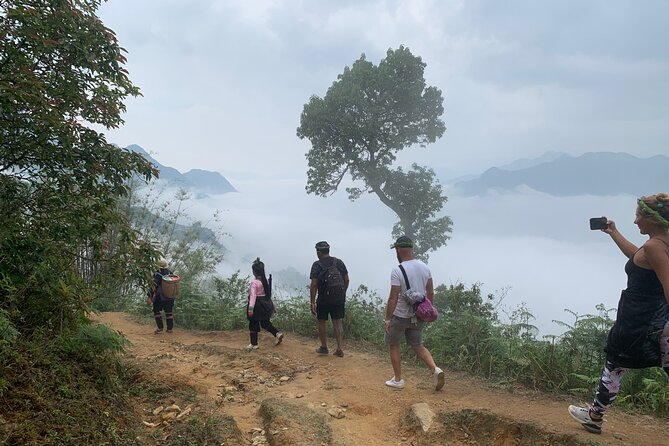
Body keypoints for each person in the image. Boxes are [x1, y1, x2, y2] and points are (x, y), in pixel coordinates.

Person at [569, 193, 669, 434]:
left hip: (641, 321)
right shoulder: (660, 243)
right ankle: (594, 415)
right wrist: (614, 232)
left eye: (638, 216)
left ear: (652, 219)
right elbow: (640, 260)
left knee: (615, 363)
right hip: (658, 319)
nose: (635, 222)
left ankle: (594, 416)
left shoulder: (655, 246)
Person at [384, 235, 445, 391]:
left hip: (400, 315)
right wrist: (428, 311)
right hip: (418, 315)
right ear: (411, 249)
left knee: (394, 344)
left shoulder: (397, 270)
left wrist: (387, 319)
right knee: (417, 345)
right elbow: (430, 292)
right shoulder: (425, 267)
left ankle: (398, 380)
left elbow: (393, 298)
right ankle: (435, 369)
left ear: (398, 250)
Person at [309, 241, 349, 357]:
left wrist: (312, 302)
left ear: (319, 252)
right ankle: (339, 348)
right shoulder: (338, 262)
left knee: (321, 321)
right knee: (337, 322)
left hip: (323, 298)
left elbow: (314, 284)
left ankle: (324, 347)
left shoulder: (317, 265)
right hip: (338, 298)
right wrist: (342, 293)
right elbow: (346, 279)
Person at [246, 258, 284, 351]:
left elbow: (253, 296)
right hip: (265, 304)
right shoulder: (266, 281)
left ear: (254, 272)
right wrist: (272, 306)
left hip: (257, 306)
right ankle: (277, 333)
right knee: (265, 323)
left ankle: (254, 344)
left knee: (253, 324)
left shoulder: (254, 283)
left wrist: (250, 309)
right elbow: (268, 294)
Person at [149, 258, 175, 334]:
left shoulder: (157, 274)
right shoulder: (170, 273)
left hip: (160, 297)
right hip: (170, 296)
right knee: (169, 312)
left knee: (156, 311)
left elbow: (153, 286)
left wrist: (150, 296)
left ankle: (160, 328)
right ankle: (170, 329)